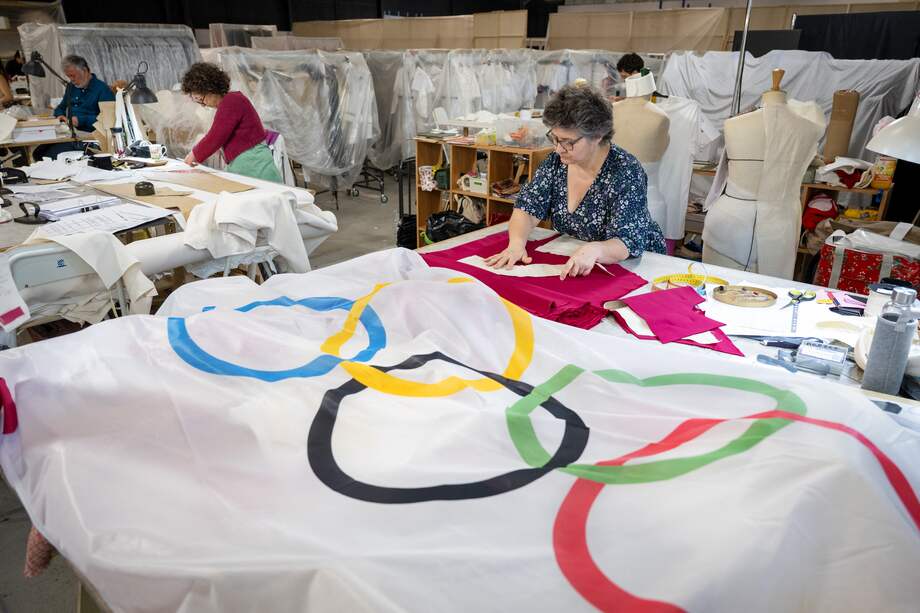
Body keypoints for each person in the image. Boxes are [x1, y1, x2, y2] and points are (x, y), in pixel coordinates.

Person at [485, 84, 665, 279]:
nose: (558, 149)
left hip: (635, 264)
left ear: (597, 136)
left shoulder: (625, 171)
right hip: (579, 257)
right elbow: (527, 209)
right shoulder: (556, 163)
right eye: (555, 138)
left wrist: (596, 249)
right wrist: (516, 244)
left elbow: (626, 241)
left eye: (568, 142)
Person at [181, 62, 281, 183]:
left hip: (255, 166)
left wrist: (193, 155)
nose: (203, 104)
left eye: (201, 99)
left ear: (210, 89)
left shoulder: (231, 101)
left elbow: (215, 137)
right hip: (248, 165)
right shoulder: (229, 102)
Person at [34, 55, 115, 160]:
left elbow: (109, 120)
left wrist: (81, 120)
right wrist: (60, 116)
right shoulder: (71, 87)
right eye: (69, 76)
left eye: (73, 76)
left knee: (48, 156)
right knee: (38, 152)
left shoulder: (102, 89)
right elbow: (60, 107)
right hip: (71, 134)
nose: (71, 80)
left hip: (90, 138)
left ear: (84, 71)